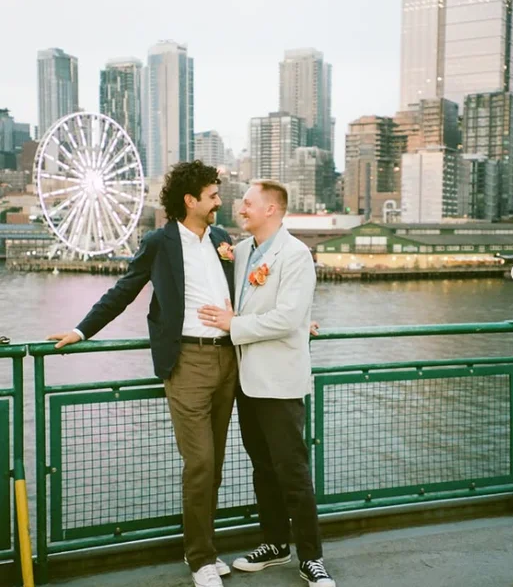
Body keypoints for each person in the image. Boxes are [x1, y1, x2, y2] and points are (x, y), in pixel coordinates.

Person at [47, 161, 239, 587]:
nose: (219, 202)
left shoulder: (222, 239)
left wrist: (294, 321)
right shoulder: (159, 243)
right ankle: (200, 559)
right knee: (200, 462)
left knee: (216, 463)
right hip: (187, 362)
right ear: (190, 200)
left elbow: (247, 289)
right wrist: (81, 330)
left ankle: (206, 547)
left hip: (229, 360)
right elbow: (124, 290)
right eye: (212, 196)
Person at [197, 180, 335, 587]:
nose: (241, 209)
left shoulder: (296, 255)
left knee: (293, 472)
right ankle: (275, 544)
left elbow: (288, 318)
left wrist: (233, 324)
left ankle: (312, 558)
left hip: (280, 382)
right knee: (262, 468)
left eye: (248, 203)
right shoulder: (240, 252)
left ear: (271, 209)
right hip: (246, 382)